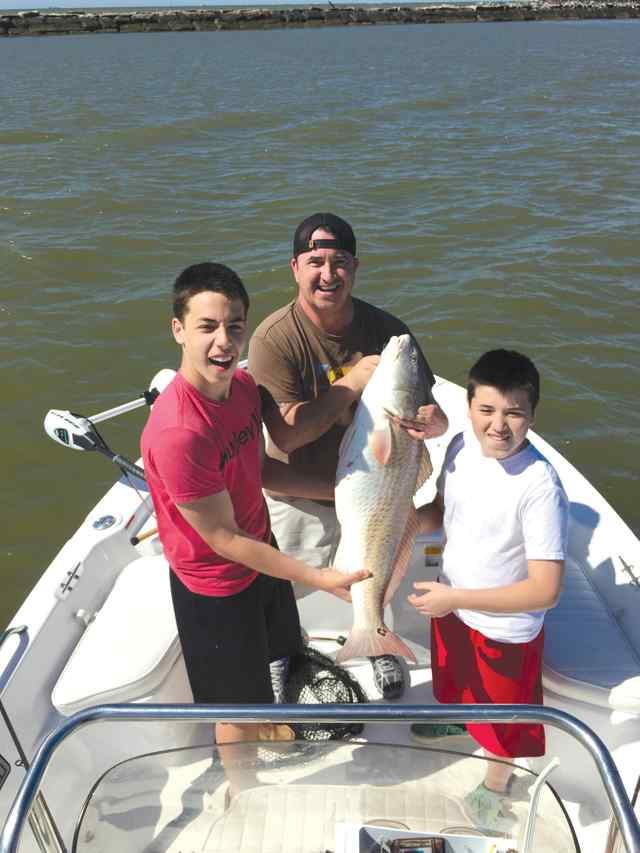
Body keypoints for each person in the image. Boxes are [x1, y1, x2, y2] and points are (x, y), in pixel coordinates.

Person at [140, 262, 369, 789]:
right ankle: (244, 792)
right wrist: (317, 578)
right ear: (178, 330)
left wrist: (343, 493)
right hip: (214, 588)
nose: (224, 342)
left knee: (279, 650)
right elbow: (222, 539)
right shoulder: (179, 432)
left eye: (235, 326)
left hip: (259, 554)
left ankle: (269, 717)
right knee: (234, 711)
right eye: (207, 327)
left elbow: (262, 464)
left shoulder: (242, 388)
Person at [248, 213, 448, 699]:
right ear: (295, 267)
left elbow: (431, 403)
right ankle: (286, 653)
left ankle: (380, 644)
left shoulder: (388, 331)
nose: (328, 274)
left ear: (355, 267)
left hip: (377, 497)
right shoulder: (274, 340)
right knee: (286, 590)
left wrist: (436, 422)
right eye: (315, 261)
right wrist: (354, 382)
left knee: (378, 581)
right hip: (300, 495)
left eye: (339, 262)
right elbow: (288, 435)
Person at [408, 349, 568, 834]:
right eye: (487, 410)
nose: (499, 426)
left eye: (514, 413)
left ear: (532, 415)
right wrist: (402, 526)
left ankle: (495, 785)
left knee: (503, 720)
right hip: (452, 601)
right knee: (455, 680)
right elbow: (440, 510)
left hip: (502, 627)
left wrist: (454, 599)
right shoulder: (459, 445)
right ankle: (460, 719)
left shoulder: (540, 485)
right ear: (470, 406)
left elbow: (545, 591)